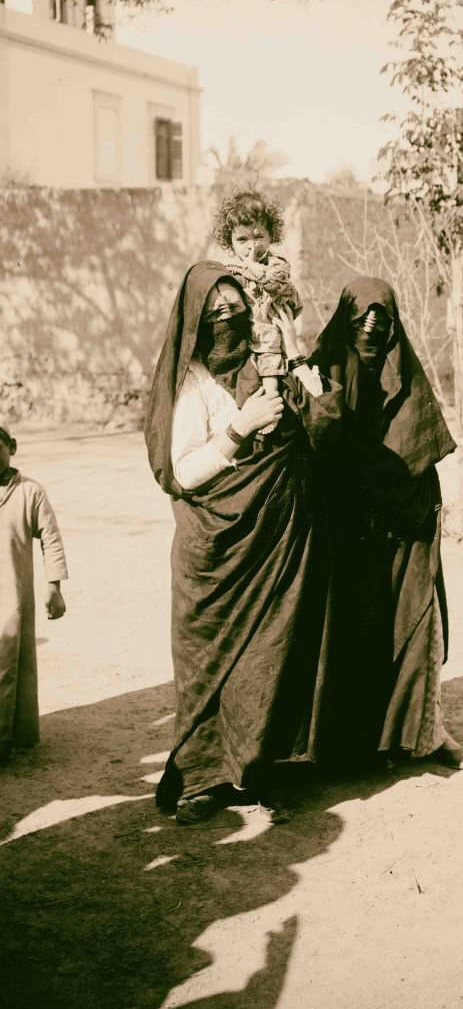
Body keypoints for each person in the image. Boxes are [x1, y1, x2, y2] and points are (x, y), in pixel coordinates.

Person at [144, 260, 341, 825]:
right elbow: (182, 474)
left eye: (235, 309)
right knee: (210, 668)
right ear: (195, 323)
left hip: (272, 544)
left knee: (268, 657)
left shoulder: (262, 365)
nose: (227, 320)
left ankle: (259, 770)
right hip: (215, 554)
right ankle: (205, 780)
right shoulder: (192, 384)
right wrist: (241, 425)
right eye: (216, 313)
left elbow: (308, 421)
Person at [309, 277, 463, 771]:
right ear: (345, 320)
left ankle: (425, 734)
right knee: (347, 631)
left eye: (382, 319)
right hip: (346, 528)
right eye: (361, 318)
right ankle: (348, 748)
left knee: (415, 625)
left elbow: (420, 446)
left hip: (405, 520)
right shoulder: (325, 369)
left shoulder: (407, 376)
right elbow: (316, 445)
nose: (372, 328)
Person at [0, 423, 68, 762]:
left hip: (11, 595)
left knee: (7, 666)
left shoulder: (30, 493)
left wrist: (54, 587)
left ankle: (6, 738)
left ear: (12, 447)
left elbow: (52, 540)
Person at [212, 190, 303, 436]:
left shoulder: (276, 263)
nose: (252, 245)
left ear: (271, 235)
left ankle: (272, 406)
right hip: (243, 330)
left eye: (259, 236)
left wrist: (247, 266)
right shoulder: (232, 268)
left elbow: (274, 281)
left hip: (268, 325)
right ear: (229, 242)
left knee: (269, 358)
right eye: (242, 240)